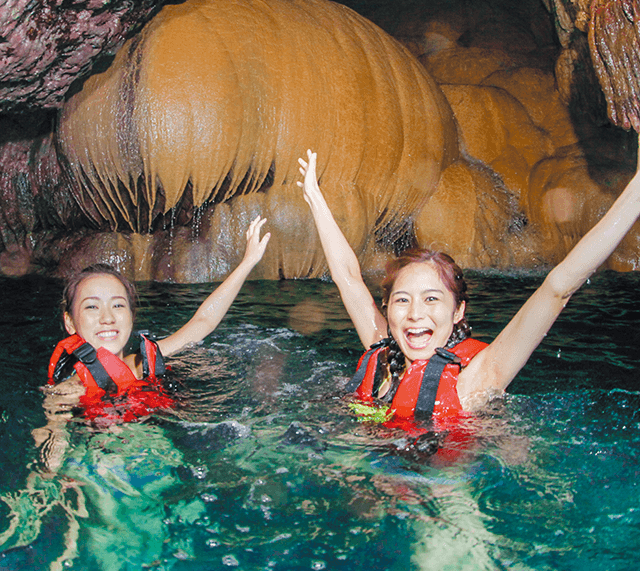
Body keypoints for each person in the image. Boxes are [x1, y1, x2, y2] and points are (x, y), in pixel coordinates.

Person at [297, 144, 640, 430]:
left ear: (457, 311)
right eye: (402, 300)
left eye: (432, 299)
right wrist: (314, 196)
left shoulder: (478, 378)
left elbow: (558, 287)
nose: (415, 314)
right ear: (387, 307)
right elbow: (348, 278)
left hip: (445, 492)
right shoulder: (383, 350)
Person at [39, 216, 270, 444]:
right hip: (104, 466)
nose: (107, 317)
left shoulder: (145, 362)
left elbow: (203, 323)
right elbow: (50, 443)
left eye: (118, 305)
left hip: (164, 456)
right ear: (70, 323)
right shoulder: (67, 392)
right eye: (92, 306)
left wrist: (248, 262)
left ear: (131, 315)